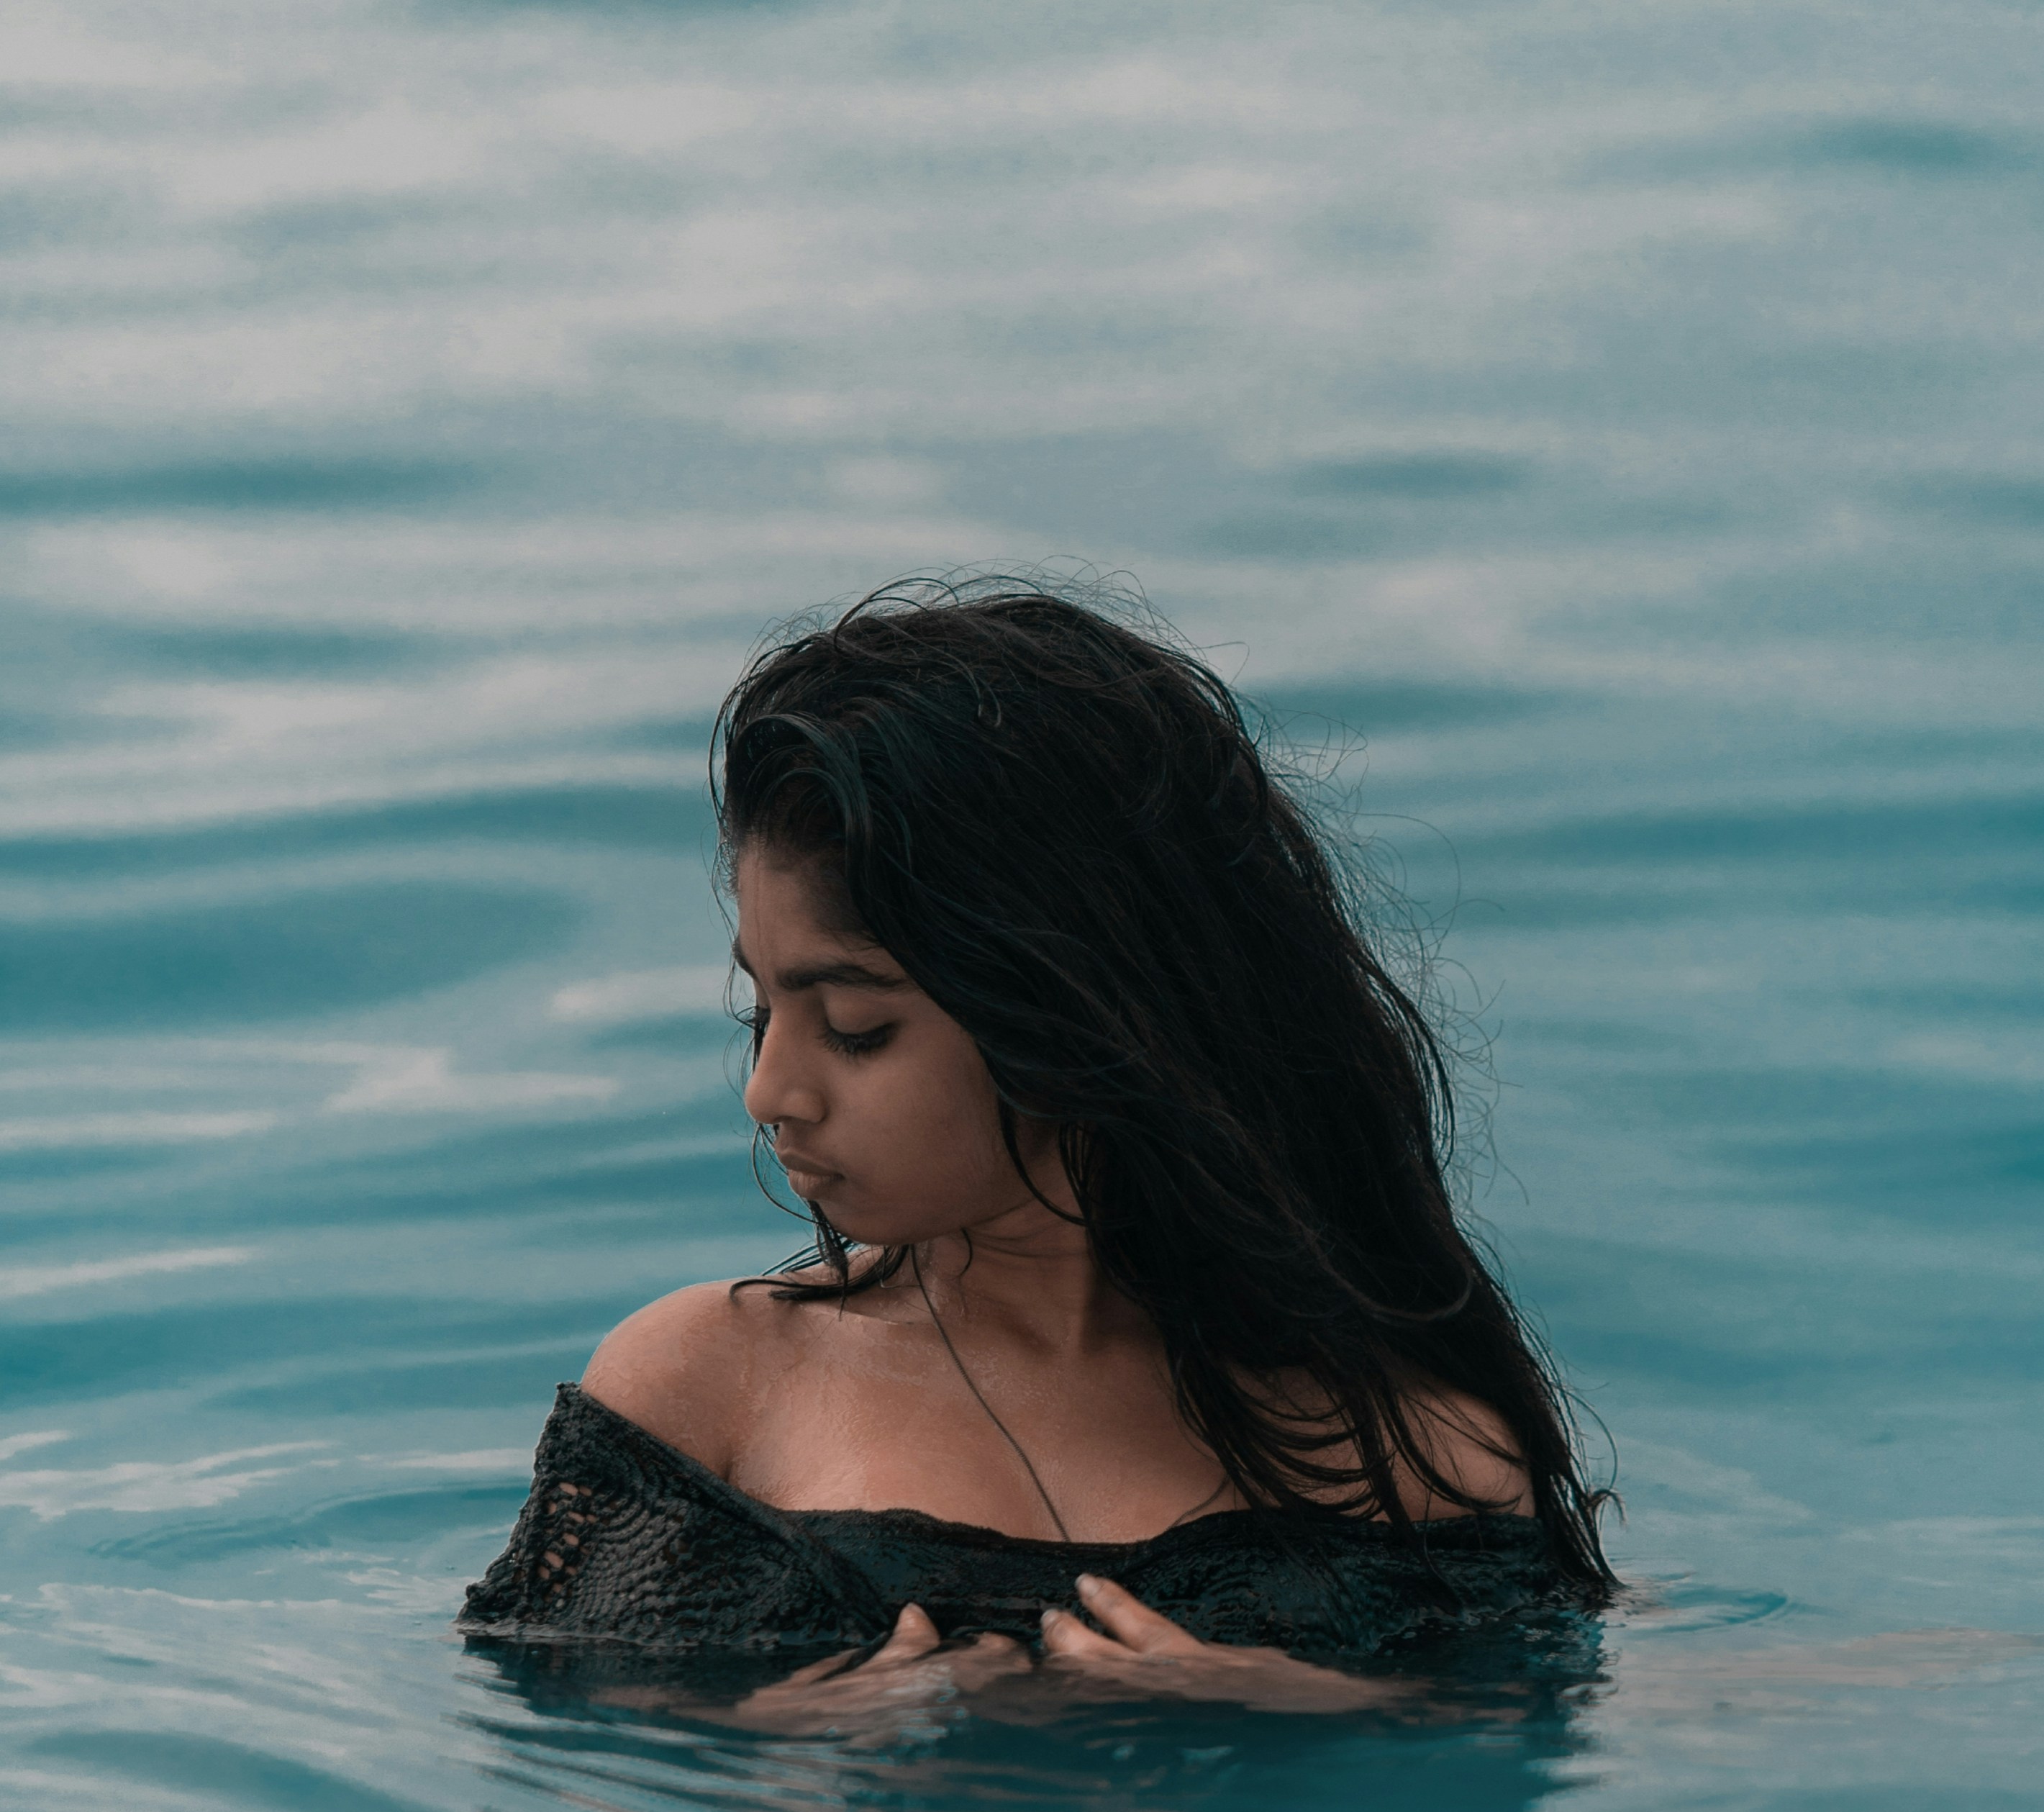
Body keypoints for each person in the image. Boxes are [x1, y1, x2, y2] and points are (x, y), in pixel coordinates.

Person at [460, 581, 1614, 1715]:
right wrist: (785, 1724)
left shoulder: (1418, 1454)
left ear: (1077, 1016)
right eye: (761, 1012)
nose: (770, 1092)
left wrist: (1297, 1699)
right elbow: (562, 1735)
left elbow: (1550, 1735)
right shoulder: (706, 1390)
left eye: (856, 1028)